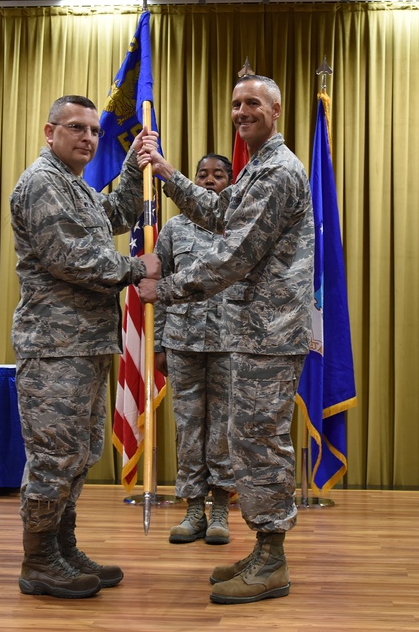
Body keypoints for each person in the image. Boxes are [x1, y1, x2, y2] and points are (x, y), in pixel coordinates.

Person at [137, 74, 314, 604]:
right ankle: (264, 549)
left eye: (253, 102)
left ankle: (273, 560)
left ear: (277, 110)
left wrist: (163, 288)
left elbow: (234, 255)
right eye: (236, 103)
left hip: (270, 332)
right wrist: (168, 173)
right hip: (253, 331)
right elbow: (218, 213)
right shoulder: (258, 168)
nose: (242, 111)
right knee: (250, 442)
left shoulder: (280, 170)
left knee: (261, 444)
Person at [9, 94, 161, 600]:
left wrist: (137, 162)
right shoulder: (41, 184)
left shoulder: (75, 187)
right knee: (55, 455)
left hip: (87, 343)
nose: (89, 139)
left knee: (78, 453)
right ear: (49, 132)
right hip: (55, 346)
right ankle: (39, 560)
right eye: (77, 128)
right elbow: (71, 258)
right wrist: (139, 269)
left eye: (95, 132)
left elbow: (115, 214)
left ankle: (63, 547)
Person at [153, 154, 237, 546]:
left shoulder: (237, 226)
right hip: (182, 342)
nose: (208, 180)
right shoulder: (173, 229)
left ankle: (220, 507)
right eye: (202, 174)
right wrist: (157, 344)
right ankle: (192, 509)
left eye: (218, 175)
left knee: (222, 428)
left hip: (229, 342)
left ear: (230, 181)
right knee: (188, 426)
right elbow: (159, 288)